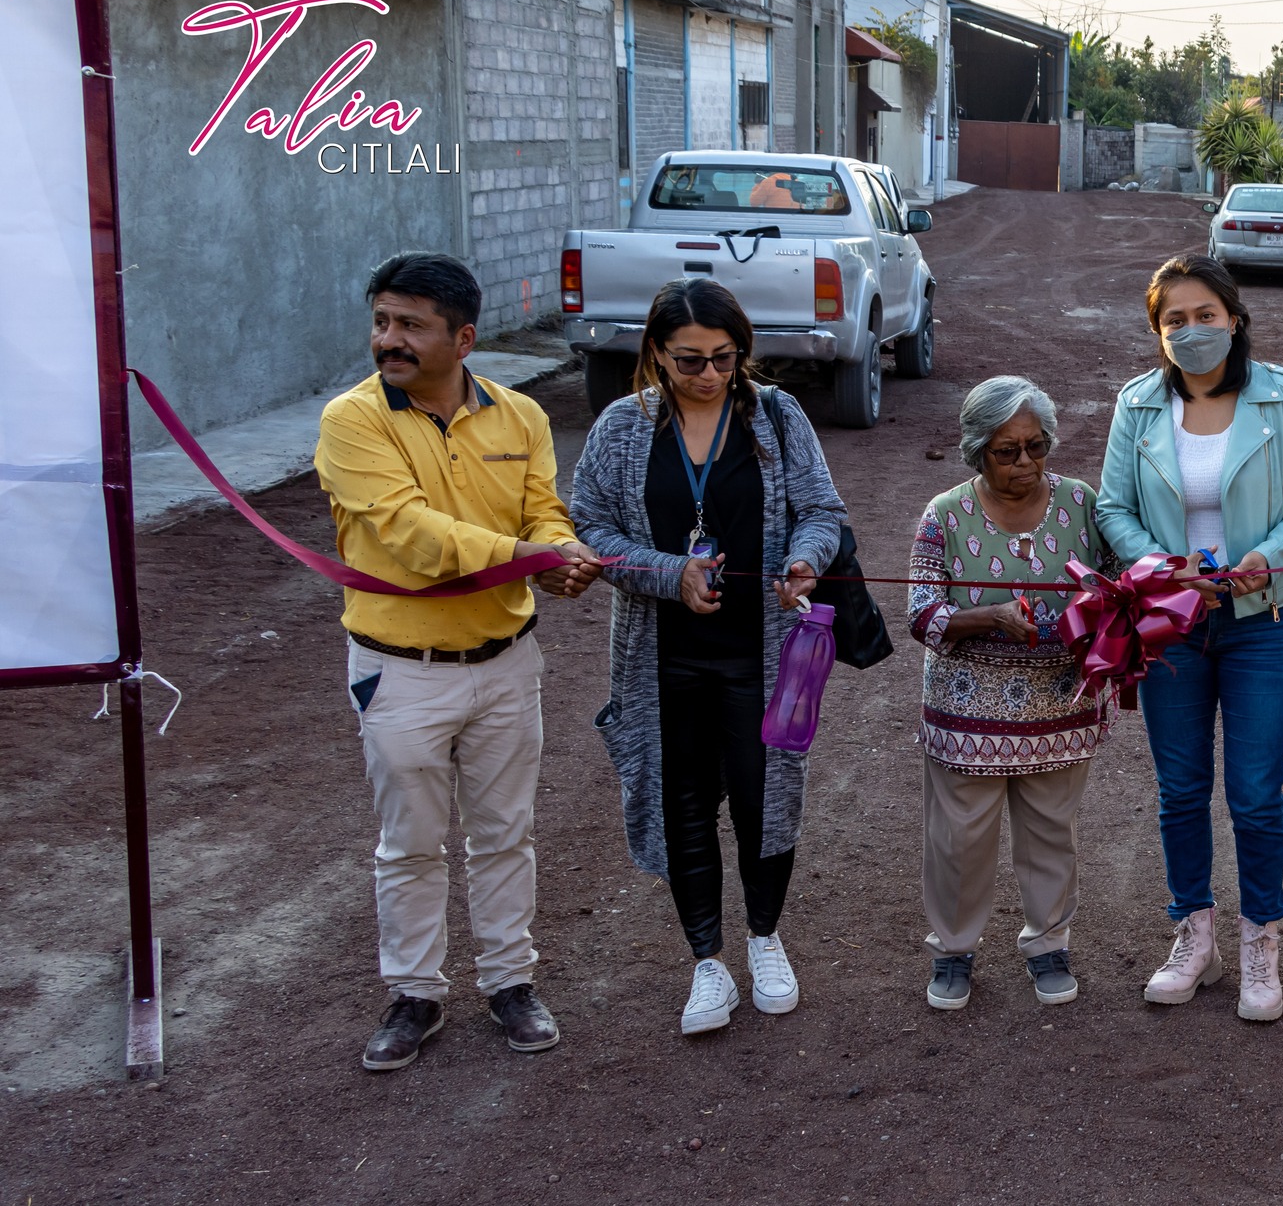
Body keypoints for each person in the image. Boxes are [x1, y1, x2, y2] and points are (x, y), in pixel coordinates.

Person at [315, 251, 605, 1072]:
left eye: (410, 324)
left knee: (505, 833)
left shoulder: (519, 417)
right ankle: (415, 993)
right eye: (382, 321)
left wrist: (563, 549)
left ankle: (511, 982)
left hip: (507, 661)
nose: (388, 339)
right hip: (398, 667)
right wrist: (530, 555)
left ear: (464, 336)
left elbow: (543, 509)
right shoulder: (352, 421)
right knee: (408, 842)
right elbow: (407, 531)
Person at [570, 279, 849, 1035]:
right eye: (689, 361)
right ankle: (706, 960)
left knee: (766, 801)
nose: (710, 375)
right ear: (656, 354)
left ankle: (764, 939)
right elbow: (588, 526)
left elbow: (822, 510)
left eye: (725, 358)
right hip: (662, 661)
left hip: (763, 658)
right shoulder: (622, 429)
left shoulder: (777, 416)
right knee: (680, 801)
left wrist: (804, 559)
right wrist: (669, 572)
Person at [1098, 254, 1283, 1022]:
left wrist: (1266, 557)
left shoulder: (1279, 396)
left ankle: (1260, 939)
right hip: (1170, 624)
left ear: (1234, 319)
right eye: (1175, 320)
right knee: (1181, 788)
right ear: (1157, 331)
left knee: (1257, 791)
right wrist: (1162, 569)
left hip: (1262, 619)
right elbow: (1111, 509)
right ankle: (1193, 935)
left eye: (1206, 316)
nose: (1192, 331)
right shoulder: (1136, 407)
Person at [906, 377, 1116, 1011]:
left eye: (1036, 446)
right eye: (1007, 451)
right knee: (960, 837)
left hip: (1062, 703)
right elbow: (921, 613)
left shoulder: (1083, 504)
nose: (1026, 462)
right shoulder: (945, 514)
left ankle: (1048, 942)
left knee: (1053, 830)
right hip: (967, 709)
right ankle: (952, 950)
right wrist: (990, 618)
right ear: (976, 450)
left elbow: (1117, 588)